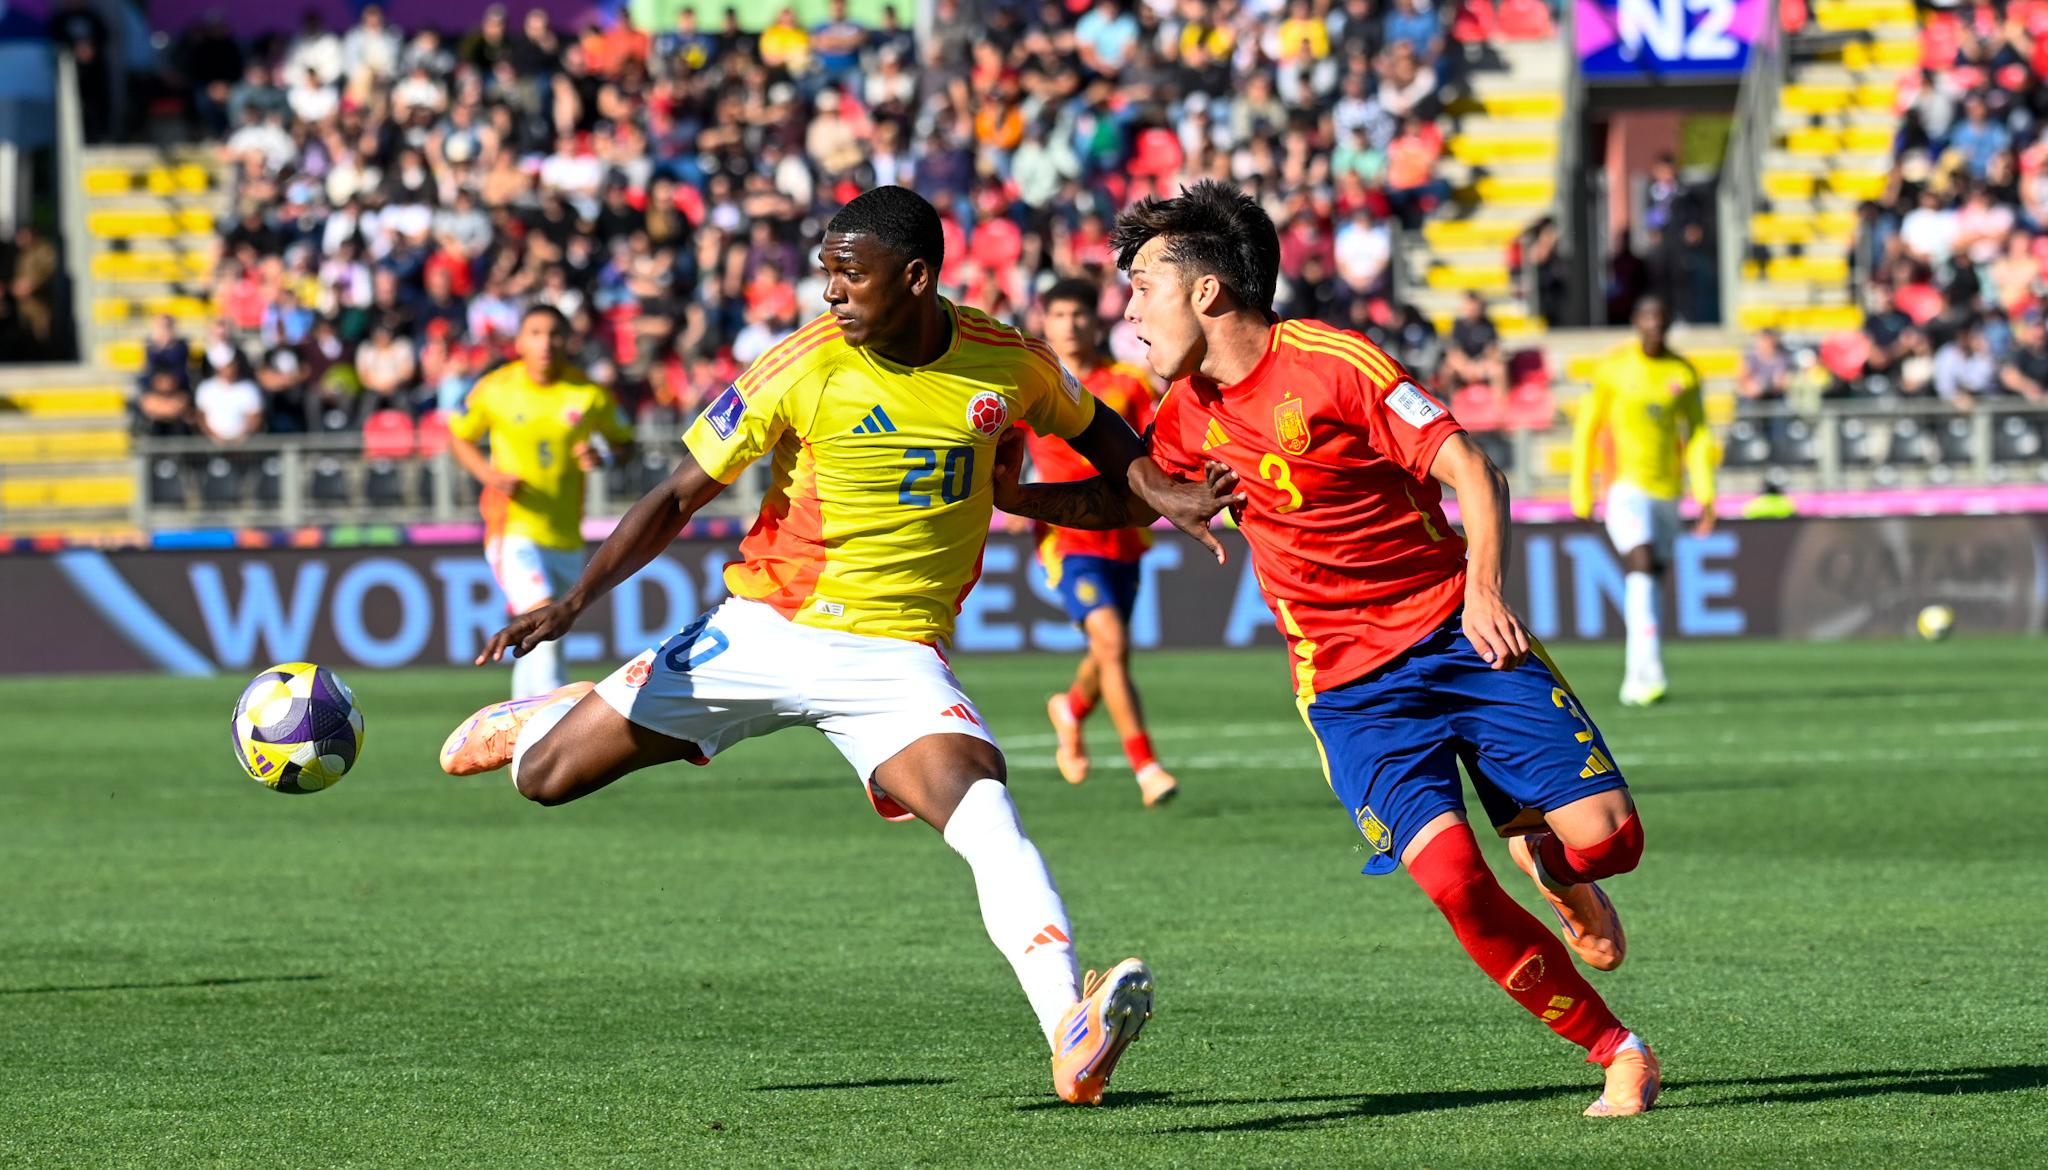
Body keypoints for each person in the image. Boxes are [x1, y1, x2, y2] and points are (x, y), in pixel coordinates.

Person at [435, 187, 1227, 1105]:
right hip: (761, 629)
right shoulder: (801, 364)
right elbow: (677, 496)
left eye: (851, 276)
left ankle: (1069, 1031)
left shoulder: (1006, 362)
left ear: (917, 278)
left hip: (895, 660)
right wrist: (575, 600)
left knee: (987, 816)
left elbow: (1100, 433)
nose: (831, 296)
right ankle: (565, 706)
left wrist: (1161, 491)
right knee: (544, 779)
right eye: (827, 275)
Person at [991, 180, 1660, 1117]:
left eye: (1142, 284)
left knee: (1614, 844)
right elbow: (1125, 500)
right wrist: (1013, 499)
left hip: (1456, 632)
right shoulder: (1184, 410)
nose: (1128, 310)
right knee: (1457, 882)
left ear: (1209, 293)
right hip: (1350, 690)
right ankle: (1617, 1049)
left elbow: (1472, 467)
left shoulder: (1334, 364)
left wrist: (1484, 590)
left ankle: (1551, 854)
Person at [1020, 278, 1179, 807]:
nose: (1070, 324)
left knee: (1105, 650)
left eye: (1079, 314)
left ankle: (1071, 709)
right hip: (1067, 540)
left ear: (1096, 321)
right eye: (1059, 314)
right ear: (1046, 321)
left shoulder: (1127, 382)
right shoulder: (1031, 385)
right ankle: (1146, 766)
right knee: (1112, 645)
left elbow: (1164, 437)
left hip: (1126, 537)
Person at [446, 305, 637, 700]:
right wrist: (488, 475)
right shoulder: (495, 389)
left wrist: (605, 456)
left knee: (548, 633)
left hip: (566, 536)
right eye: (535, 332)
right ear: (519, 341)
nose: (545, 342)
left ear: (567, 339)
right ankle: (555, 719)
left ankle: (518, 733)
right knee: (543, 609)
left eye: (554, 333)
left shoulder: (588, 394)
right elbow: (459, 436)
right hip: (512, 526)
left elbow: (626, 443)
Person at [1569, 297, 1718, 707]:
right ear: (1636, 321)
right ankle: (1648, 672)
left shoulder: (1682, 374)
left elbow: (1699, 435)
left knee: (1652, 578)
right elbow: (1587, 429)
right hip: (1624, 487)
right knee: (1641, 558)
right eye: (1648, 317)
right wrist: (1582, 492)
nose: (1655, 325)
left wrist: (1705, 494)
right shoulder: (1614, 369)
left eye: (1662, 318)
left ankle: (1637, 674)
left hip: (1667, 491)